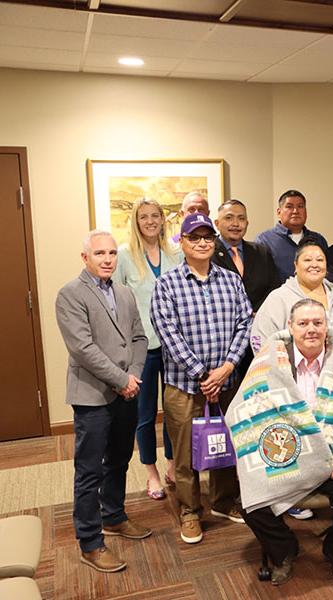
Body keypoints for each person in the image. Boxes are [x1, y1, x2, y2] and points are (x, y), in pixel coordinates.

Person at [234, 299, 333, 585]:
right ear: (290, 327)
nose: (311, 329)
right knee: (250, 502)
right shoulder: (270, 362)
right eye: (303, 323)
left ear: (327, 326)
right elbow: (249, 412)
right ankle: (284, 550)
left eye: (317, 323)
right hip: (287, 461)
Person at [150, 213, 252, 545]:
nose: (203, 242)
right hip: (184, 385)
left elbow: (245, 324)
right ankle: (190, 511)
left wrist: (225, 369)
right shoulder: (167, 284)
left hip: (226, 382)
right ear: (182, 242)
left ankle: (222, 501)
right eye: (195, 237)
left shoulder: (231, 280)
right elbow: (168, 333)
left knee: (226, 445)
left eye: (208, 237)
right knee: (185, 455)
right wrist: (202, 374)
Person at [56, 230, 150, 573]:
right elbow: (83, 349)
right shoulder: (70, 294)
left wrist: (134, 376)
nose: (108, 259)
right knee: (89, 469)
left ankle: (113, 515)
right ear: (85, 258)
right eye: (100, 254)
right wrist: (121, 379)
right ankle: (90, 542)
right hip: (93, 395)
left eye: (112, 253)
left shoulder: (124, 293)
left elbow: (139, 337)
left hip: (128, 391)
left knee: (120, 459)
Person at [113, 198, 181, 500]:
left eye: (156, 216)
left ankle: (172, 464)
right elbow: (113, 302)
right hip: (141, 347)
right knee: (144, 413)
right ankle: (150, 472)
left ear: (163, 220)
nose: (151, 221)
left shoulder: (175, 254)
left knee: (174, 411)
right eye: (144, 217)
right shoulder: (125, 256)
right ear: (136, 221)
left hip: (172, 345)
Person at [251, 239, 333, 353]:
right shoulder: (278, 298)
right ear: (295, 266)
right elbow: (259, 340)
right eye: (307, 260)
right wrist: (280, 368)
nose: (314, 264)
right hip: (292, 368)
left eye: (320, 260)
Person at [212, 199, 281, 313]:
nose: (235, 224)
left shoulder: (261, 251)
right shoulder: (208, 253)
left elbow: (273, 288)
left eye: (241, 218)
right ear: (217, 224)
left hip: (259, 320)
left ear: (247, 223)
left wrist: (258, 313)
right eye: (229, 218)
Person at [256, 189, 329, 282]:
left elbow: (326, 274)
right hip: (279, 296)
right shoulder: (264, 240)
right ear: (279, 212)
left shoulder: (318, 239)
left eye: (300, 206)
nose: (295, 211)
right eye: (289, 207)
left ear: (306, 211)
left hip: (314, 295)